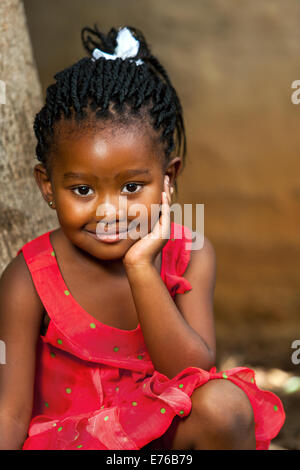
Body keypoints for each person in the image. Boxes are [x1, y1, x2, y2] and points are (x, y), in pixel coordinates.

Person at [0, 25, 285, 450]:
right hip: (75, 444)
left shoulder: (189, 255)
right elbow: (11, 410)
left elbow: (190, 372)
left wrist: (141, 268)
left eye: (132, 187)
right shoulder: (29, 277)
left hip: (160, 450)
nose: (110, 211)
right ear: (47, 186)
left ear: (168, 178)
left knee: (225, 405)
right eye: (82, 190)